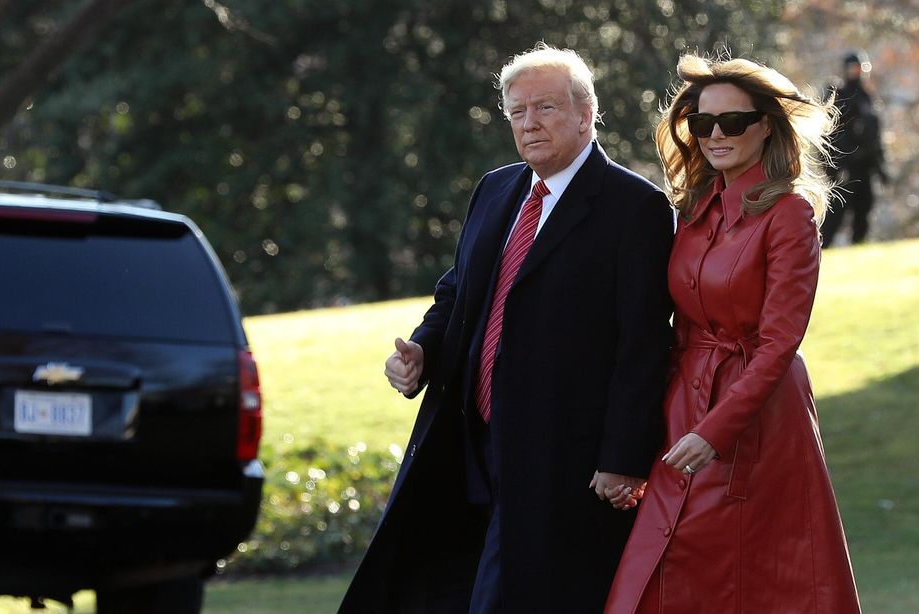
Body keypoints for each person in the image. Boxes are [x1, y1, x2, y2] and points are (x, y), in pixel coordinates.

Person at [339, 43, 675, 614]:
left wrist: (623, 456)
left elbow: (642, 344)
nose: (528, 124)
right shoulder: (496, 189)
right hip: (467, 440)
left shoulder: (635, 208)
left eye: (544, 108)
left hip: (558, 458)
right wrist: (423, 349)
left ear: (586, 113)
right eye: (517, 113)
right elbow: (460, 291)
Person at [603, 54, 861, 613]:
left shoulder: (789, 214)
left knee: (755, 579)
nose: (715, 134)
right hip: (683, 404)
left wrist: (716, 430)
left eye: (733, 122)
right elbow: (667, 330)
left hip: (759, 421)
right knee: (651, 580)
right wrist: (635, 441)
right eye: (701, 122)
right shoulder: (693, 209)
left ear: (767, 125)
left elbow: (778, 343)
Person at [821, 51, 887, 247]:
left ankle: (859, 247)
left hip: (865, 166)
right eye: (852, 68)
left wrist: (880, 167)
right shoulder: (838, 96)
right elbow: (829, 135)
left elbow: (874, 137)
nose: (855, 72)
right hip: (845, 168)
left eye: (858, 68)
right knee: (835, 216)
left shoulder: (867, 98)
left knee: (863, 212)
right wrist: (834, 168)